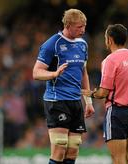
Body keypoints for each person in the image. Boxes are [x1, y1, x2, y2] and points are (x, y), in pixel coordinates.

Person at [33, 9, 95, 164]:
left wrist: (88, 101)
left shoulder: (82, 44)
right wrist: (54, 74)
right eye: (79, 27)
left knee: (73, 150)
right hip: (57, 101)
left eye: (84, 26)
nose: (83, 30)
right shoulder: (52, 44)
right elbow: (36, 72)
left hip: (76, 102)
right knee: (59, 148)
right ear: (68, 25)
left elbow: (84, 73)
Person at [82, 24, 128, 164]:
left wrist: (90, 93)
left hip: (117, 112)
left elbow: (103, 92)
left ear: (109, 40)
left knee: (118, 159)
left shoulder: (110, 60)